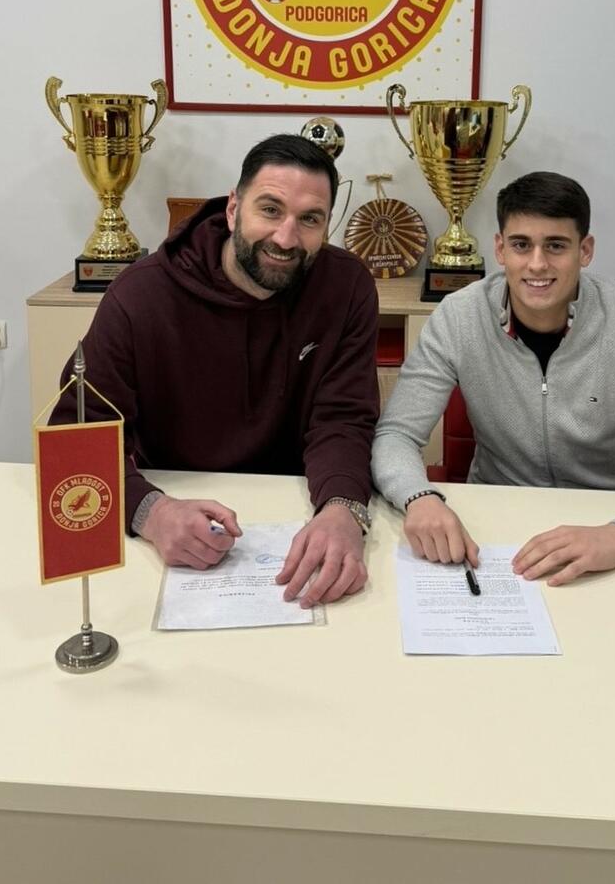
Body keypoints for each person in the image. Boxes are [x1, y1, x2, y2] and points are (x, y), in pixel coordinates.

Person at [50, 134, 380, 608]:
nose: (286, 238)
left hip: (300, 508)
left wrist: (343, 508)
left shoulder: (347, 286)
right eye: (270, 210)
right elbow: (76, 437)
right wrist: (149, 512)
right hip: (172, 509)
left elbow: (343, 418)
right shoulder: (140, 297)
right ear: (232, 209)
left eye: (310, 219)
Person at [372, 171, 615, 585]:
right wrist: (419, 497)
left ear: (585, 251)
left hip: (612, 523)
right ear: (500, 249)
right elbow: (396, 435)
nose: (537, 264)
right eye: (521, 245)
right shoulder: (458, 317)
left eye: (556, 246)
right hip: (495, 524)